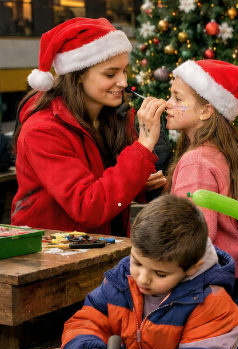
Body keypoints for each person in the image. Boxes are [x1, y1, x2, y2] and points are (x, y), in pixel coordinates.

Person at [12, 18, 166, 236]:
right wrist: (145, 144)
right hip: (50, 256)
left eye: (125, 71)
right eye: (110, 74)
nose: (123, 82)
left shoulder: (115, 116)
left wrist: (145, 185)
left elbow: (113, 186)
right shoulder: (41, 131)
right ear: (78, 76)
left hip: (99, 247)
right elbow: (90, 207)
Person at [61, 195, 238, 349]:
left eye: (160, 274)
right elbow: (87, 320)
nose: (143, 279)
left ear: (192, 267)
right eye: (136, 262)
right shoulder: (119, 282)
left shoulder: (212, 303)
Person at [165, 60, 238, 313]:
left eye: (178, 98)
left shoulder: (196, 161)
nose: (168, 104)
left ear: (206, 111)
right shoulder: (228, 151)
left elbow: (196, 235)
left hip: (210, 279)